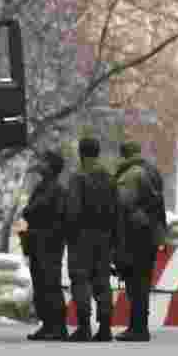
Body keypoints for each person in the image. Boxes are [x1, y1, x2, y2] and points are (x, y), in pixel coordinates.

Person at [64, 137, 119, 342]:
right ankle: (105, 328)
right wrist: (114, 239)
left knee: (81, 280)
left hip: (81, 237)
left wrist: (69, 234)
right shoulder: (109, 177)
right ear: (98, 152)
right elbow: (116, 211)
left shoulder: (78, 178)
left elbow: (72, 210)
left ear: (81, 153)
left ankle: (84, 328)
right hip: (105, 237)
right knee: (102, 282)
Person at [113, 140, 167, 342]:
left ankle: (137, 328)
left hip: (134, 235)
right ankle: (140, 326)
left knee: (135, 284)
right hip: (152, 234)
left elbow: (122, 203)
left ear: (123, 154)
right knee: (142, 282)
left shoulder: (131, 174)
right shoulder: (152, 171)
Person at [21, 150, 70, 341]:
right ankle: (48, 325)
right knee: (41, 285)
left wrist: (30, 210)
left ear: (51, 167)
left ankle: (57, 327)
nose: (39, 164)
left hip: (49, 244)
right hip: (39, 242)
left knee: (50, 285)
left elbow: (34, 209)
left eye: (44, 162)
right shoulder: (43, 186)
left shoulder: (55, 189)